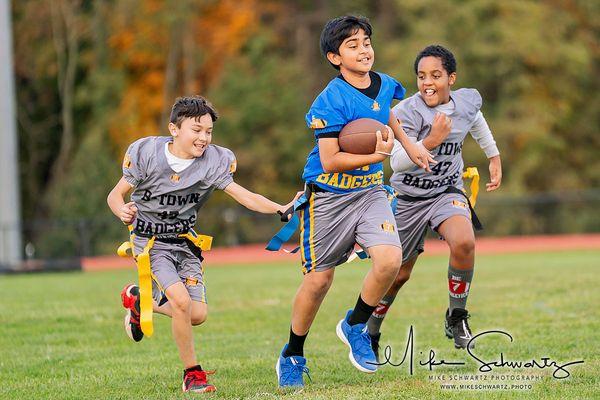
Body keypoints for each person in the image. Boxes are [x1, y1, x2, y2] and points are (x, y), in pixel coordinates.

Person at [275, 16, 434, 388]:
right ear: (334, 57)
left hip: (369, 192)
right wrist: (375, 156)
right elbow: (330, 159)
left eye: (366, 41)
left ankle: (356, 323)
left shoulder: (383, 84)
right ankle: (293, 354)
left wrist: (409, 144)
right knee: (319, 282)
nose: (364, 49)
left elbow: (386, 115)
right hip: (328, 197)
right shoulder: (329, 100)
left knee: (391, 258)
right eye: (352, 45)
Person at [107, 95, 298, 393]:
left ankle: (142, 301)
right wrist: (122, 210)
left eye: (208, 131)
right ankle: (192, 375)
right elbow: (115, 195)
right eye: (196, 130)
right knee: (181, 302)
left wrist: (279, 207)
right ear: (174, 129)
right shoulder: (146, 153)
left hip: (185, 242)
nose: (204, 137)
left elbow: (244, 195)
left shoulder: (214, 161)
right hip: (150, 242)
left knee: (196, 314)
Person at [366, 45, 502, 353]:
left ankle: (457, 316)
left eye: (436, 75)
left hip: (446, 191)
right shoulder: (406, 112)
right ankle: (370, 329)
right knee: (398, 274)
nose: (427, 82)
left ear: (451, 78)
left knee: (465, 242)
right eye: (421, 76)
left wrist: (493, 154)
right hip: (408, 198)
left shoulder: (464, 102)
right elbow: (396, 162)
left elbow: (475, 119)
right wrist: (431, 141)